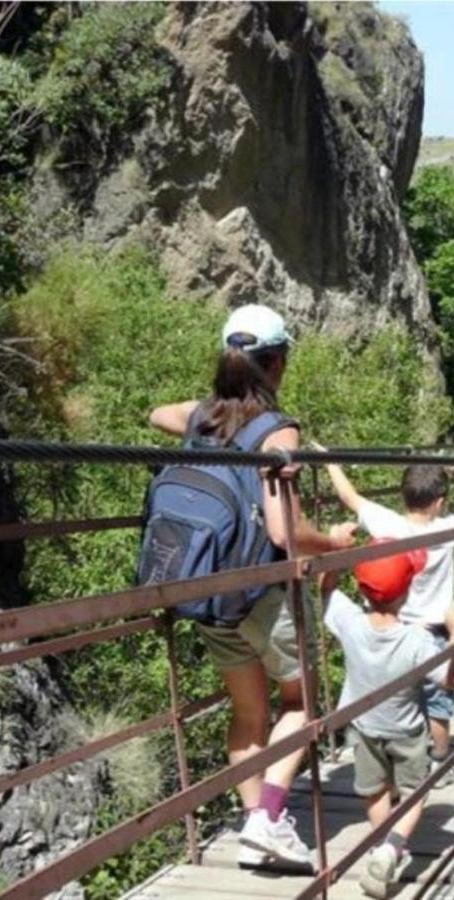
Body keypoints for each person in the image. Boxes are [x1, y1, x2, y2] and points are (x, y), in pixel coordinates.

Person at [149, 304, 356, 870]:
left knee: (247, 714)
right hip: (260, 594)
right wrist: (336, 544)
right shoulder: (276, 430)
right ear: (279, 362)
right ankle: (267, 818)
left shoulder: (202, 419)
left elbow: (155, 414)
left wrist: (202, 418)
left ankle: (254, 826)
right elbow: (284, 530)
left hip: (207, 588)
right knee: (304, 699)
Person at [319, 437, 454, 782]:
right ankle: (440, 759)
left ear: (403, 495)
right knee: (438, 700)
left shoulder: (386, 523)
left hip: (392, 626)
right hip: (435, 631)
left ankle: (385, 754)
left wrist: (329, 459)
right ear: (439, 503)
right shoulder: (445, 530)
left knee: (392, 694)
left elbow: (349, 496)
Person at [320, 540, 443, 898]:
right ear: (407, 592)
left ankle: (381, 848)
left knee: (373, 791)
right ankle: (392, 848)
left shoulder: (350, 622)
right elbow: (448, 678)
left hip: (363, 726)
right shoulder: (418, 640)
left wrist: (338, 550)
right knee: (415, 791)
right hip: (406, 731)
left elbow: (326, 588)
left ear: (361, 588)